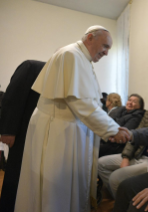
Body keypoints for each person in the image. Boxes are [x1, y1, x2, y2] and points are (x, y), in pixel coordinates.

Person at [14, 26, 130, 212]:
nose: (107, 53)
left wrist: (112, 127)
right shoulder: (71, 55)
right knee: (55, 189)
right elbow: (81, 101)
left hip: (69, 129)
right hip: (58, 131)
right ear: (90, 38)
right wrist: (112, 129)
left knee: (66, 188)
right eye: (105, 46)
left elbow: (89, 102)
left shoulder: (82, 59)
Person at [0, 60, 45, 212]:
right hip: (23, 134)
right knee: (15, 176)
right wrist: (7, 130)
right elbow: (12, 98)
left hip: (43, 137)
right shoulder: (32, 67)